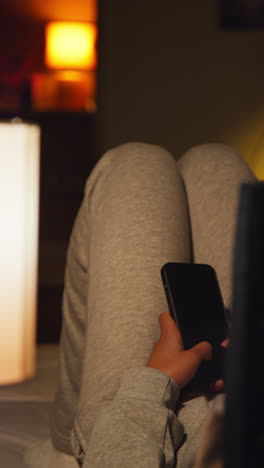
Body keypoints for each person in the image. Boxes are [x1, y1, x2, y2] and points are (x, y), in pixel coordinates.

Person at [24, 142, 256, 468]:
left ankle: (65, 451)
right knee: (215, 160)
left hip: (131, 437)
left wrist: (151, 384)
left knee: (135, 163)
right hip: (239, 405)